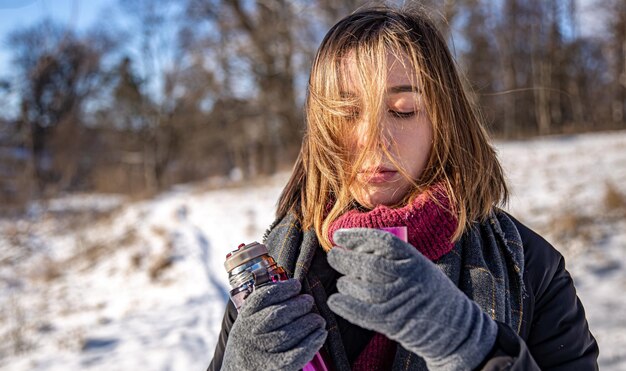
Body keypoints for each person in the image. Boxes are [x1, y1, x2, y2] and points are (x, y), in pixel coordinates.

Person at [209, 5, 599, 371]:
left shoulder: (530, 268)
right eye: (346, 113)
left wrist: (474, 346)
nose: (372, 139)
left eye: (403, 110)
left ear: (444, 121)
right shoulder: (273, 276)